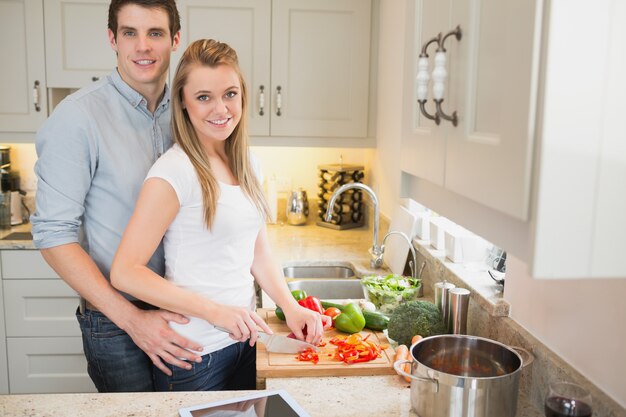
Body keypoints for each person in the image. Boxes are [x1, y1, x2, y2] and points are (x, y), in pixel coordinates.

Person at [110, 39, 330, 391]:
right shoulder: (174, 172)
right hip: (196, 354)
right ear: (183, 101)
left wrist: (290, 306)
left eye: (229, 94)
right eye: (203, 97)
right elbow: (125, 272)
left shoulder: (248, 163)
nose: (220, 108)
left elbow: (257, 251)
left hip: (246, 342)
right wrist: (216, 312)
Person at [30, 0, 204, 392]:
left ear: (175, 39)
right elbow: (53, 236)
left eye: (155, 33)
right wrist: (131, 319)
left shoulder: (189, 110)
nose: (143, 46)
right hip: (116, 322)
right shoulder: (78, 118)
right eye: (130, 33)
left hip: (185, 311)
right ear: (112, 38)